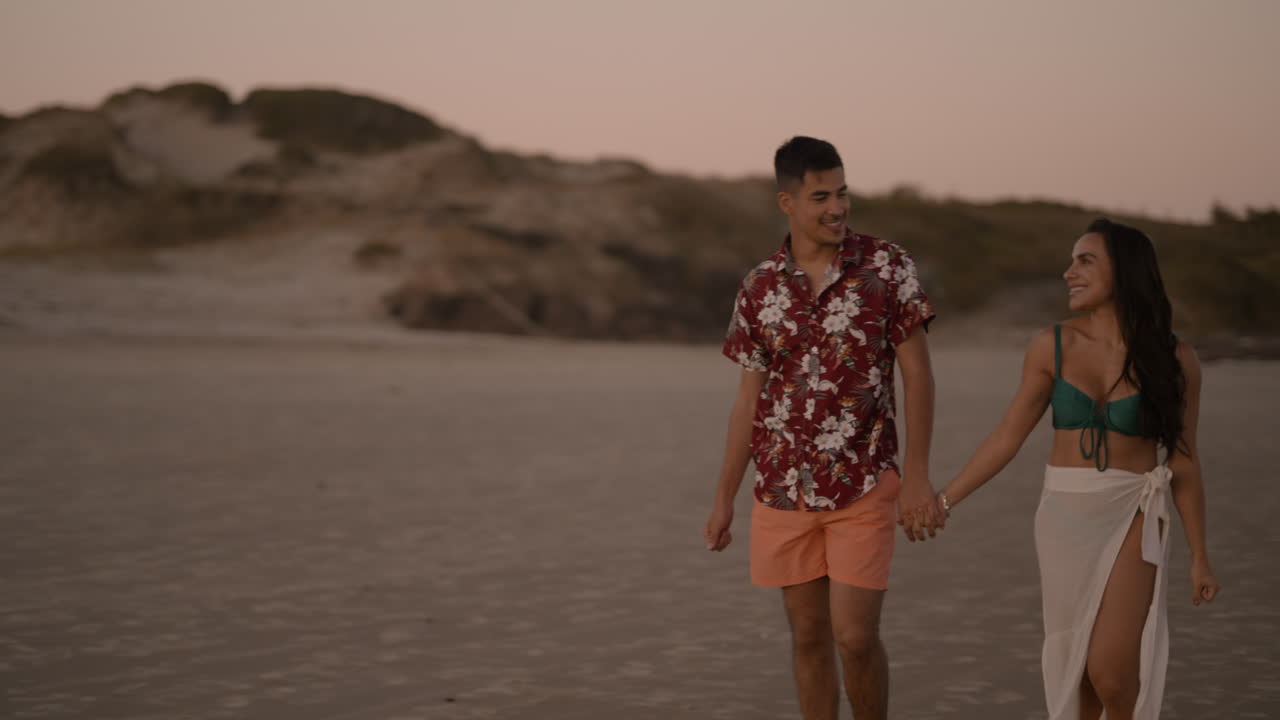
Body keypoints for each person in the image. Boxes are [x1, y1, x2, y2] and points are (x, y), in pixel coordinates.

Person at [936, 218, 1222, 720]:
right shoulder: (1052, 345)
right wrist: (943, 500)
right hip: (1064, 517)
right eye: (1071, 260)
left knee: (1111, 671)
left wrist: (1200, 554)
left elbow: (1184, 461)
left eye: (1085, 260)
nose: (1070, 272)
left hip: (1133, 510)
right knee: (1077, 670)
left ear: (1125, 272)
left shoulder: (1177, 360)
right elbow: (1008, 435)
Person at [703, 136, 944, 720]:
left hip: (863, 481)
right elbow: (747, 403)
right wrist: (723, 499)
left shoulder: (887, 265)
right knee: (808, 638)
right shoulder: (759, 288)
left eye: (842, 193)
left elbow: (918, 375)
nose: (837, 208)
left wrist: (916, 477)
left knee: (855, 638)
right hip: (783, 487)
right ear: (787, 202)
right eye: (820, 197)